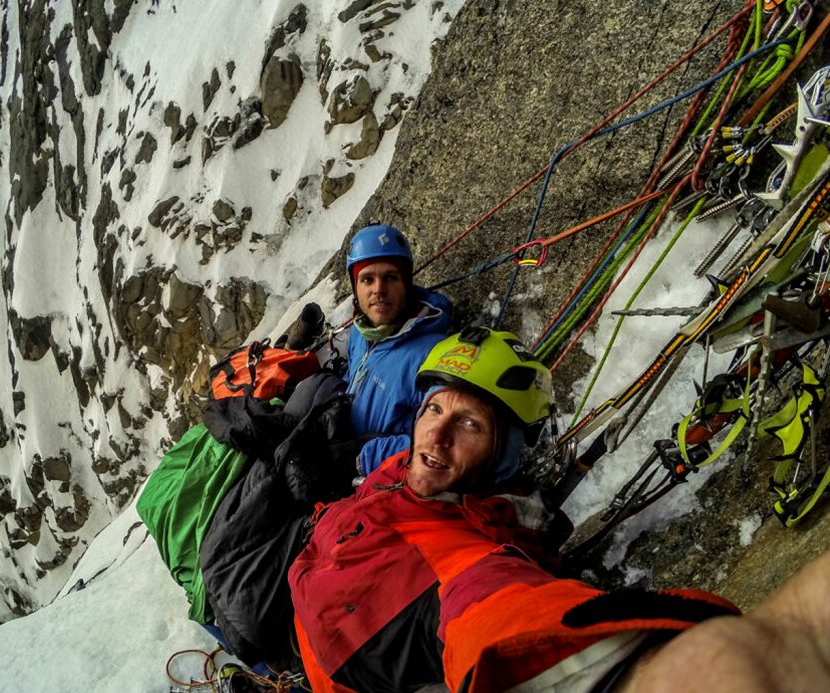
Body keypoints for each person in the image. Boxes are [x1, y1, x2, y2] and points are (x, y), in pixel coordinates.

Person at [288, 327, 830, 692]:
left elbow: (505, 620)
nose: (437, 433)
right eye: (433, 407)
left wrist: (644, 670)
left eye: (471, 424)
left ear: (504, 458)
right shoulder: (416, 472)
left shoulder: (463, 563)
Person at [343, 224, 452, 446]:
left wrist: (359, 456)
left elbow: (437, 442)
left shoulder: (434, 354)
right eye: (367, 280)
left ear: (406, 285)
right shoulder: (359, 333)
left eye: (391, 278)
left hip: (374, 474)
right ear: (356, 289)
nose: (378, 289)